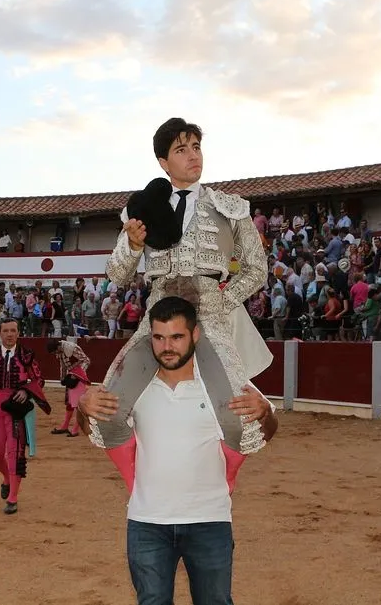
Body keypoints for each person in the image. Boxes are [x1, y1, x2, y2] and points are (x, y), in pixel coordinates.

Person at [90, 117, 271, 489]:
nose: (192, 156)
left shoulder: (230, 208)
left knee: (238, 421)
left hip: (209, 315)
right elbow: (117, 274)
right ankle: (142, 489)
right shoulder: (140, 210)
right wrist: (134, 245)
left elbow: (257, 269)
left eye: (196, 147)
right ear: (163, 162)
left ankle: (222, 488)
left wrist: (224, 299)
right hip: (159, 315)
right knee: (107, 412)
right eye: (181, 149)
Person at [77, 296, 277, 605]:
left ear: (195, 335)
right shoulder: (133, 387)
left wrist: (266, 412)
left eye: (176, 337)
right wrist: (82, 406)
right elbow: (98, 426)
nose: (167, 346)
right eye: (158, 337)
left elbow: (267, 428)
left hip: (209, 520)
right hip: (147, 523)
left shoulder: (222, 385)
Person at [0, 319, 51, 514]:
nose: (9, 334)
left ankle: (13, 497)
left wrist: (26, 390)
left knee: (15, 453)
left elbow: (39, 379)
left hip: (16, 408)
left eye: (13, 331)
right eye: (5, 331)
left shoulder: (27, 355)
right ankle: (7, 477)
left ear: (18, 333)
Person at [48, 338, 92, 437]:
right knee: (69, 402)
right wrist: (63, 378)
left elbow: (86, 360)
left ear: (58, 346)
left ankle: (76, 429)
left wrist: (79, 375)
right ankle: (65, 426)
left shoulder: (72, 348)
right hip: (71, 376)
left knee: (78, 405)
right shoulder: (60, 351)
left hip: (79, 378)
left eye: (55, 351)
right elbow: (63, 366)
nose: (55, 353)